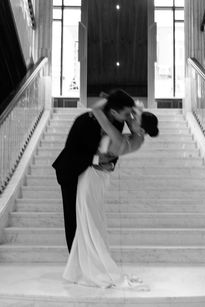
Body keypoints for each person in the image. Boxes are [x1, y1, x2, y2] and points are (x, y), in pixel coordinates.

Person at [63, 97, 159, 290]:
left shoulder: (118, 136)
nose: (130, 120)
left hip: (92, 177)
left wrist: (103, 104)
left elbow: (101, 117)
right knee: (89, 222)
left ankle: (93, 268)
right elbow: (131, 118)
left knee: (88, 222)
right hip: (97, 177)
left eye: (134, 121)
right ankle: (83, 266)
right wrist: (135, 111)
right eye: (131, 118)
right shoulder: (137, 138)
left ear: (140, 129)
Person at [52, 89, 135, 252]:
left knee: (91, 217)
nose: (129, 118)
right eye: (126, 114)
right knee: (73, 218)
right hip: (72, 171)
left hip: (93, 174)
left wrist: (111, 163)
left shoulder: (118, 122)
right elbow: (73, 152)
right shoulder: (84, 121)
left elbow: (114, 146)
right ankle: (77, 261)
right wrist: (97, 160)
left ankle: (92, 256)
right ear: (113, 111)